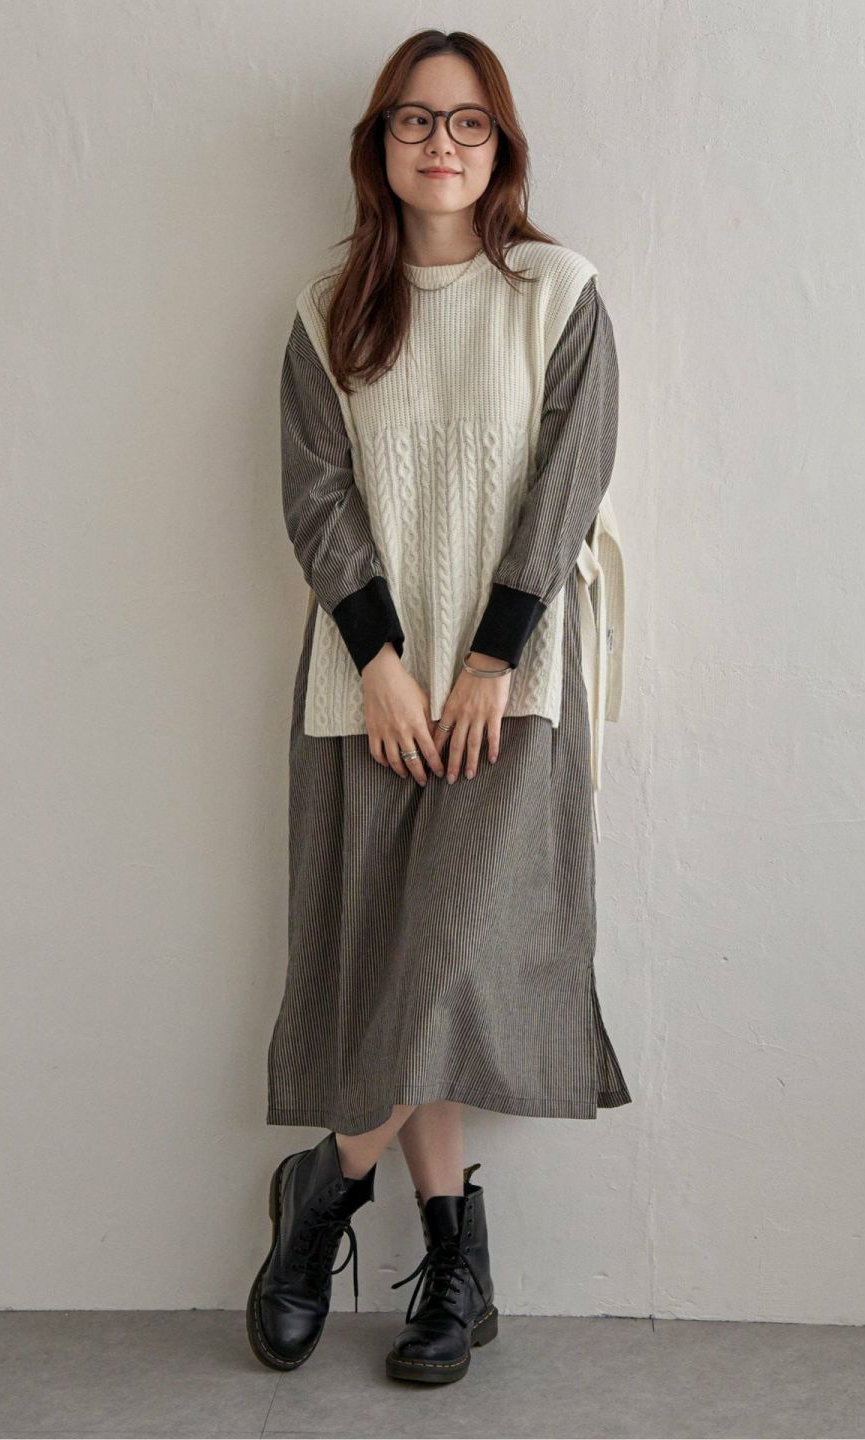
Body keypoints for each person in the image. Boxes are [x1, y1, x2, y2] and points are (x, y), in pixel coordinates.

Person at [246, 28, 632, 1386]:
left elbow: (570, 482)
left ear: (501, 144)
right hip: (369, 688)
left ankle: (325, 1190)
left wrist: (486, 662)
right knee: (406, 960)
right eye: (415, 119)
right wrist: (382, 663)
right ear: (381, 144)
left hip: (509, 686)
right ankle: (458, 1266)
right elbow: (315, 494)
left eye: (468, 122)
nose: (442, 143)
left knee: (449, 960)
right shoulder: (330, 308)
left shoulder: (558, 292)